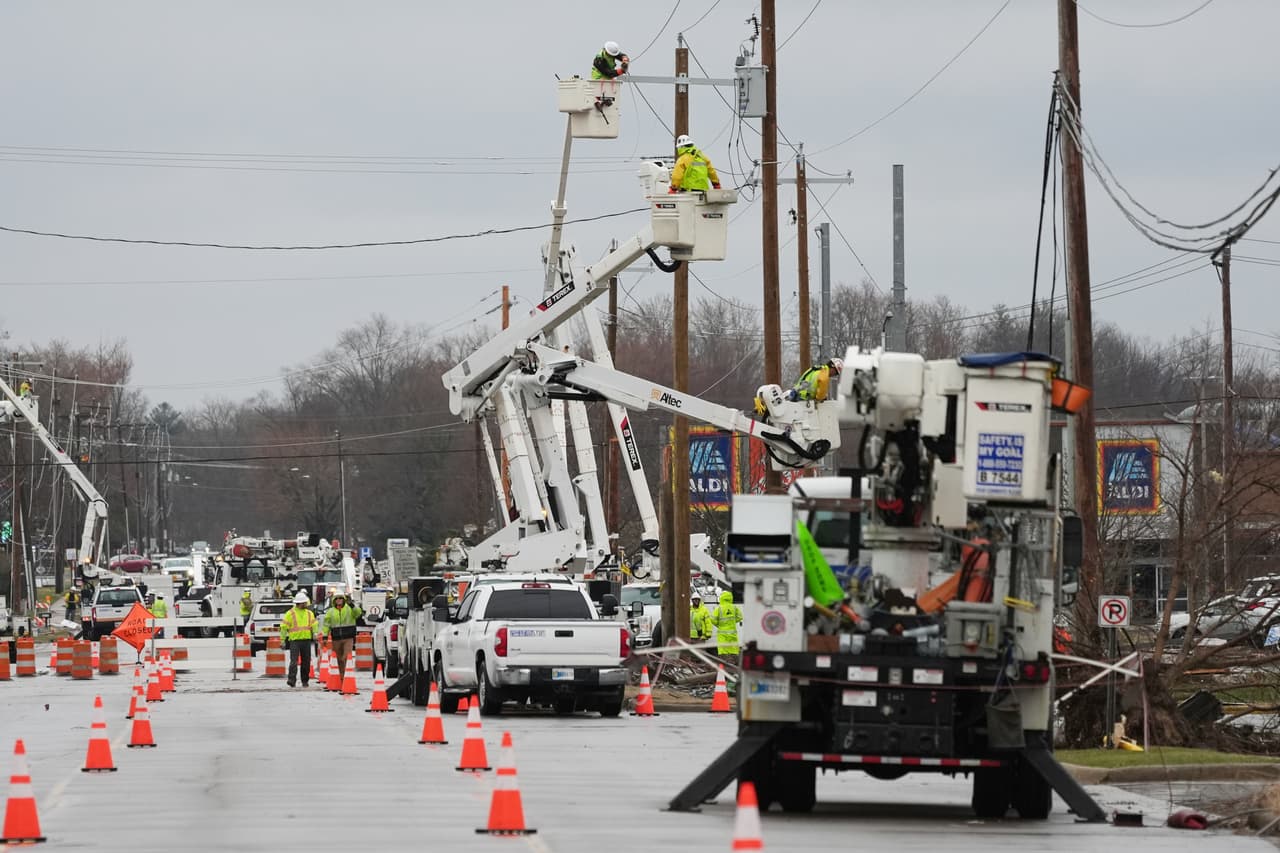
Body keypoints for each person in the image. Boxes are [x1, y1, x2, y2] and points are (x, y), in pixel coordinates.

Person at [323, 590, 363, 684]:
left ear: (344, 599)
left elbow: (358, 613)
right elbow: (326, 625)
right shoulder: (330, 612)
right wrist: (325, 636)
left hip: (348, 637)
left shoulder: (350, 608)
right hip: (336, 638)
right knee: (338, 659)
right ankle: (341, 677)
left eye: (341, 598)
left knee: (346, 657)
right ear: (334, 600)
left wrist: (351, 604)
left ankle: (347, 677)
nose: (339, 600)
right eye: (337, 598)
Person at [280, 592, 317, 688]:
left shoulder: (309, 613)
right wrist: (282, 640)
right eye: (304, 602)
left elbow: (314, 625)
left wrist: (315, 633)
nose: (306, 604)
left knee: (306, 662)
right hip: (295, 641)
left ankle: (305, 681)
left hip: (306, 640)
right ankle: (291, 680)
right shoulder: (290, 613)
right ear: (300, 603)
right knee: (294, 662)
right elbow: (283, 627)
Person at [712, 590, 743, 659]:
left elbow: (713, 620)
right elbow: (740, 617)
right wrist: (732, 622)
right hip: (732, 633)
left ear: (721, 598)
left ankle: (725, 663)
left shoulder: (719, 608)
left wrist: (719, 625)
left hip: (722, 634)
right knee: (733, 650)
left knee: (723, 652)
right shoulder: (734, 607)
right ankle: (733, 663)